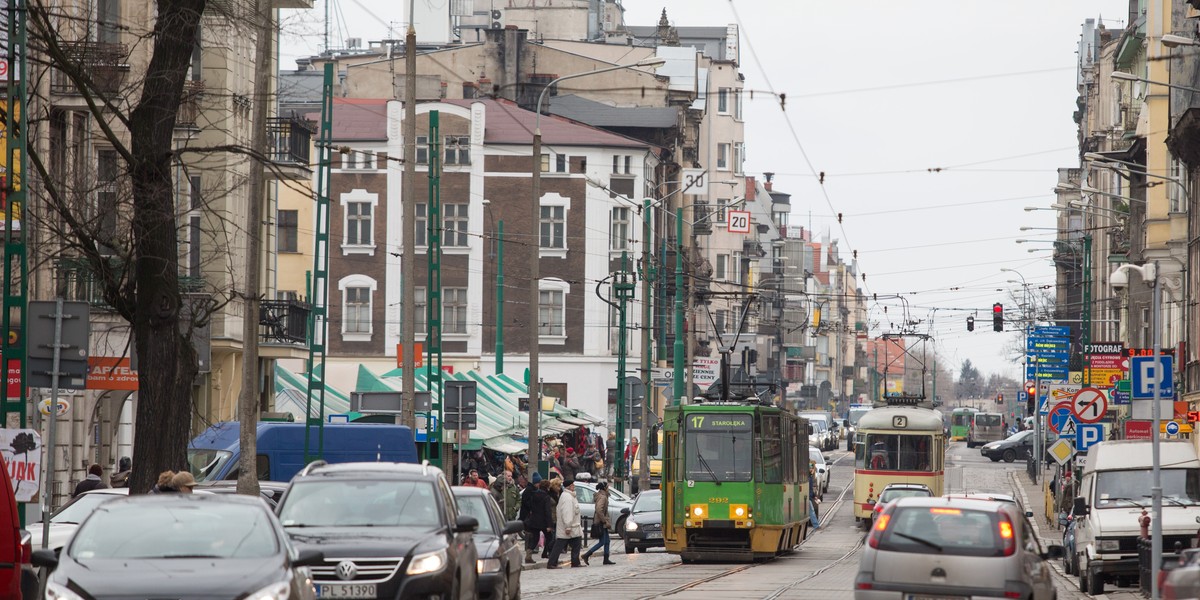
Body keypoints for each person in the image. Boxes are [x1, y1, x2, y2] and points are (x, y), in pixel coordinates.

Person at [546, 479, 583, 568]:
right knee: (559, 545)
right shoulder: (567, 497)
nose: (574, 486)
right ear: (569, 487)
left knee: (576, 542)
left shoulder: (569, 496)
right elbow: (567, 512)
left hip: (573, 526)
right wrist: (568, 526)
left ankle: (575, 562)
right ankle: (551, 563)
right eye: (573, 485)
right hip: (569, 526)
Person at [518, 472, 553, 564]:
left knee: (535, 538)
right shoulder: (545, 496)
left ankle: (528, 556)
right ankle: (548, 553)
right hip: (543, 521)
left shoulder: (533, 494)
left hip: (534, 520)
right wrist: (549, 525)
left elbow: (531, 507)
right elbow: (547, 511)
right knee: (550, 537)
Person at [581, 482, 615, 565]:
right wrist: (604, 521)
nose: (609, 488)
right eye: (607, 487)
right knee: (602, 542)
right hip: (601, 522)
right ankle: (587, 554)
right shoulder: (603, 497)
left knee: (607, 541)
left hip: (602, 522)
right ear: (604, 488)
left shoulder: (602, 495)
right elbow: (599, 510)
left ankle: (606, 559)